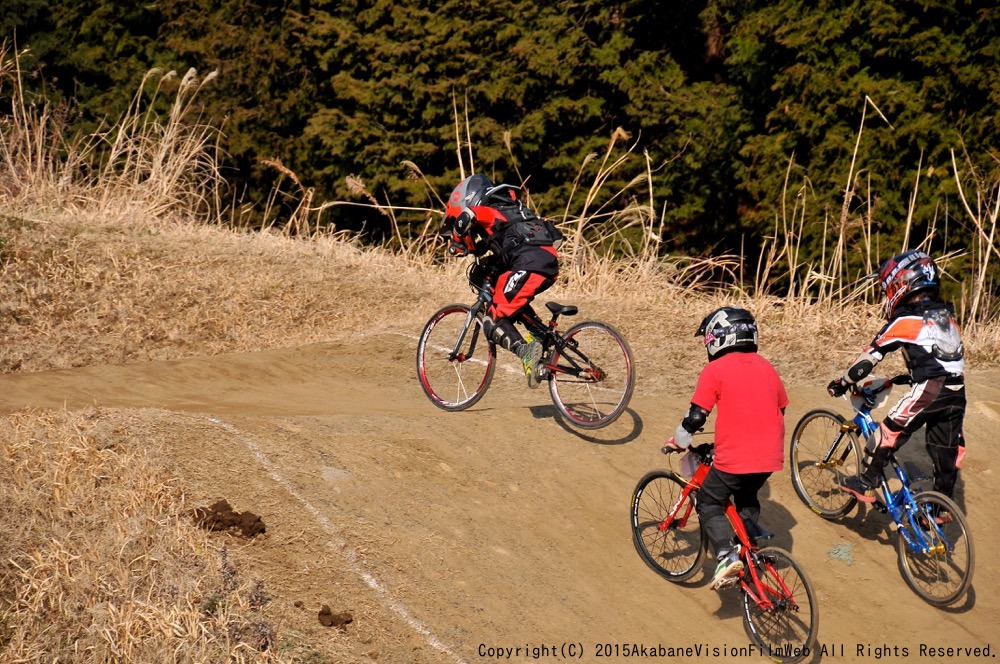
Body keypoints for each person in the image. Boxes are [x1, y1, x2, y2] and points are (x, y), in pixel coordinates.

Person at [664, 307, 788, 590]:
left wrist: (679, 441)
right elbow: (780, 405)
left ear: (717, 338)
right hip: (770, 456)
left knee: (709, 501)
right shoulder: (766, 366)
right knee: (747, 496)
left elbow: (696, 416)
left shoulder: (715, 369)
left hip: (736, 456)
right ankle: (749, 549)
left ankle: (726, 555)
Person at [828, 250, 966, 504]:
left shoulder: (905, 320)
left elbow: (869, 358)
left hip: (931, 390)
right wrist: (908, 376)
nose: (886, 295)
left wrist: (844, 381)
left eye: (886, 289)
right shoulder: (947, 317)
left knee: (886, 433)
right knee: (946, 453)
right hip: (957, 394)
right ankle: (941, 510)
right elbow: (941, 361)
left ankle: (866, 483)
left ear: (900, 283)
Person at [443, 173, 562, 388]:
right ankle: (546, 339)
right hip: (549, 264)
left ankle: (526, 353)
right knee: (511, 302)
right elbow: (555, 236)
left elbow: (466, 217)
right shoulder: (515, 211)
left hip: (528, 265)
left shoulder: (487, 211)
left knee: (493, 319)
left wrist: (457, 241)